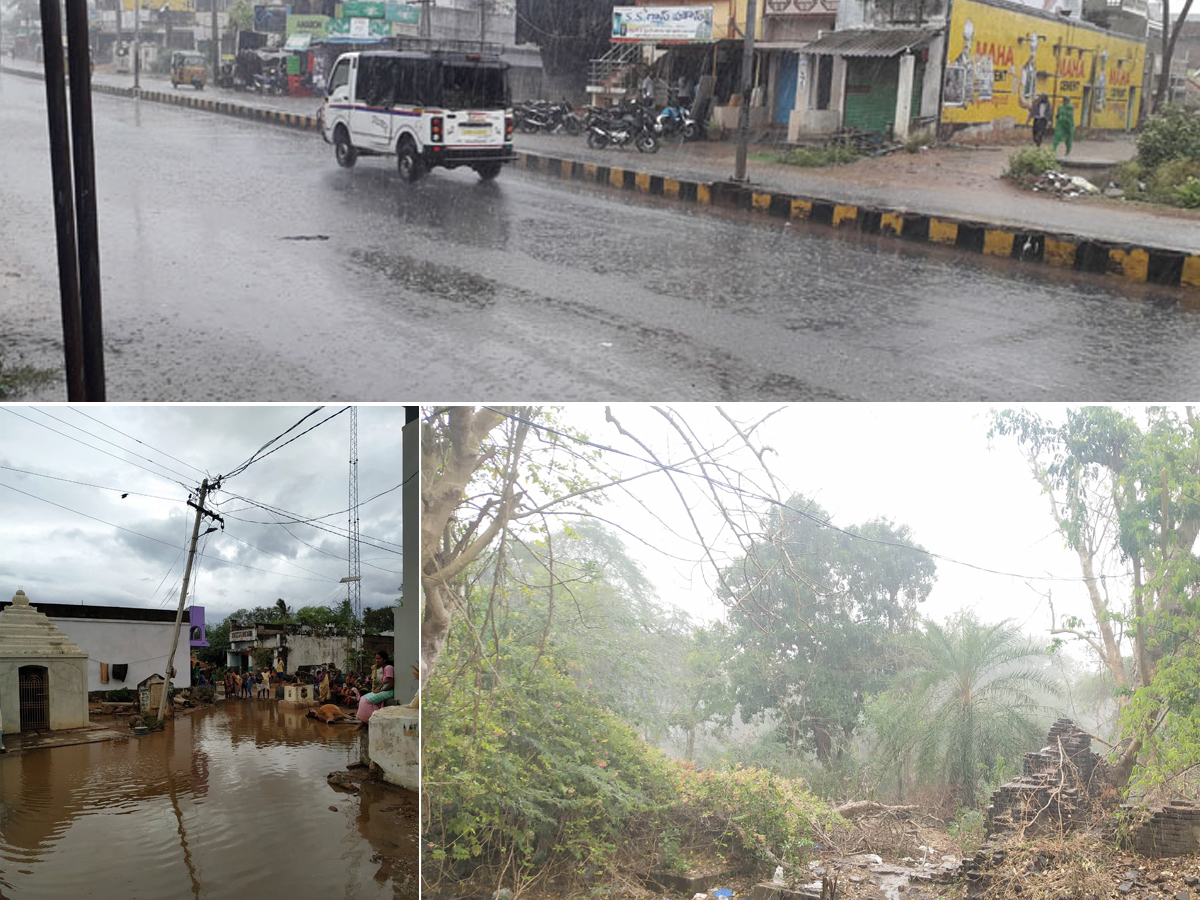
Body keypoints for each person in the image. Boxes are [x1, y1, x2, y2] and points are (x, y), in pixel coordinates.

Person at [355, 651, 395, 724]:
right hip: (385, 689)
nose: (377, 660)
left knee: (365, 701)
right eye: (376, 658)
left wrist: (381, 691)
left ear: (384, 659)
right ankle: (365, 721)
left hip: (389, 691)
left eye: (379, 658)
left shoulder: (388, 668)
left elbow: (391, 684)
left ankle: (370, 721)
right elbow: (385, 682)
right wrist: (379, 688)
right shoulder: (384, 668)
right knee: (362, 698)